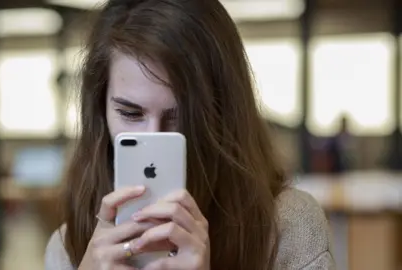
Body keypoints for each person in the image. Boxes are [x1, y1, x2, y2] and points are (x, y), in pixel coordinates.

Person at [45, 0, 334, 269]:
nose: (154, 135)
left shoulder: (290, 227)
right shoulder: (66, 247)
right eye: (131, 114)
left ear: (222, 113)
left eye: (181, 117)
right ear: (100, 112)